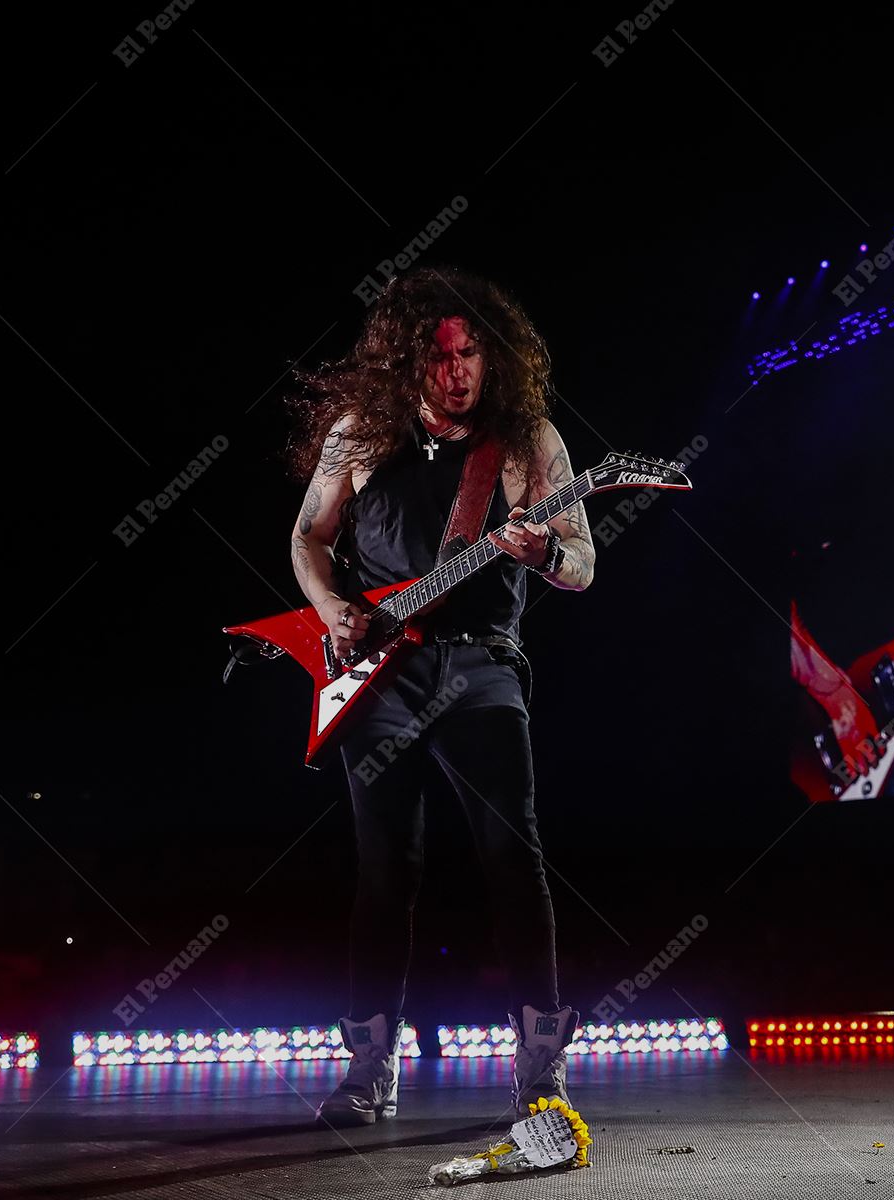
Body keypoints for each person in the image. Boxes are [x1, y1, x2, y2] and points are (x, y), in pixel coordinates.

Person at [286, 265, 596, 1126]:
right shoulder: (361, 434)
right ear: (405, 360)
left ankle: (541, 1066)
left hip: (481, 669)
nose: (458, 371)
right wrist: (333, 607)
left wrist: (542, 556)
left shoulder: (527, 439)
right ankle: (369, 1067)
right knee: (385, 870)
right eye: (439, 357)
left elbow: (582, 565)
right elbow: (307, 538)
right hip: (379, 672)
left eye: (471, 355)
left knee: (513, 857)